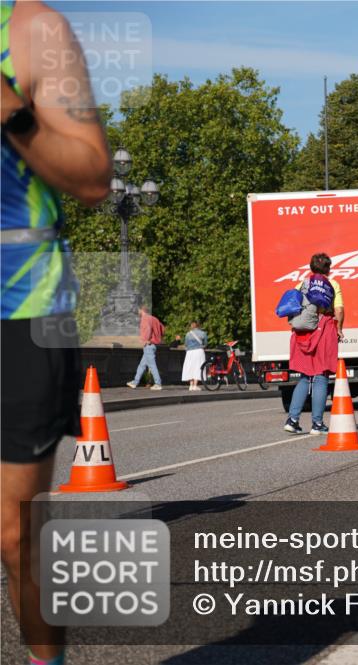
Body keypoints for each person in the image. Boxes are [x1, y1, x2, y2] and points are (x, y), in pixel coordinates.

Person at [1, 2, 113, 662]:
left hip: (20, 307)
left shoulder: (32, 31)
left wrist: (12, 110)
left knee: (15, 535)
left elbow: (94, 175)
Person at [283, 252, 344, 435]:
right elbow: (339, 310)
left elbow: (292, 307)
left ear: (311, 267)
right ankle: (317, 424)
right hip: (323, 331)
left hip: (302, 334)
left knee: (304, 377)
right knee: (321, 376)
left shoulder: (301, 284)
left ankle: (292, 420)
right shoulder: (332, 284)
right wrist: (339, 328)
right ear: (328, 268)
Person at [127, 305, 165, 390]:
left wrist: (145, 340)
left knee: (152, 365)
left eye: (138, 310)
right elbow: (162, 329)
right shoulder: (154, 318)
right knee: (142, 365)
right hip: (153, 344)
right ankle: (135, 382)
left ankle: (158, 383)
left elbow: (147, 329)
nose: (138, 312)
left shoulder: (145, 318)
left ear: (141, 310)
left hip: (149, 345)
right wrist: (157, 338)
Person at [182, 321, 208, 391]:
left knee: (190, 367)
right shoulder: (203, 333)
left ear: (191, 326)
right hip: (199, 351)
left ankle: (191, 385)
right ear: (198, 326)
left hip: (189, 352)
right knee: (198, 367)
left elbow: (186, 344)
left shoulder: (188, 334)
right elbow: (205, 344)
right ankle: (195, 385)